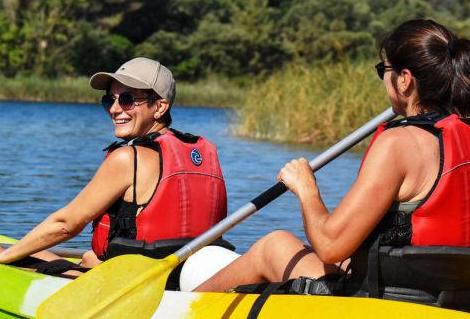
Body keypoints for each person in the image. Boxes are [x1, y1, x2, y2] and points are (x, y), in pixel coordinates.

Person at [194, 19, 470, 306]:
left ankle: (175, 307)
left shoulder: (400, 144)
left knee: (274, 246)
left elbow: (329, 246)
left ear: (404, 79)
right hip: (452, 300)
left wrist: (305, 188)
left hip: (387, 302)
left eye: (383, 71)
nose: (384, 80)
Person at [0, 57, 228, 274]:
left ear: (159, 106)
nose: (115, 109)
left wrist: (3, 256)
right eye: (109, 100)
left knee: (36, 259)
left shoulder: (128, 158)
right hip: (182, 277)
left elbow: (65, 225)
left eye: (127, 99)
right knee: (88, 258)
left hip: (133, 284)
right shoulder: (204, 153)